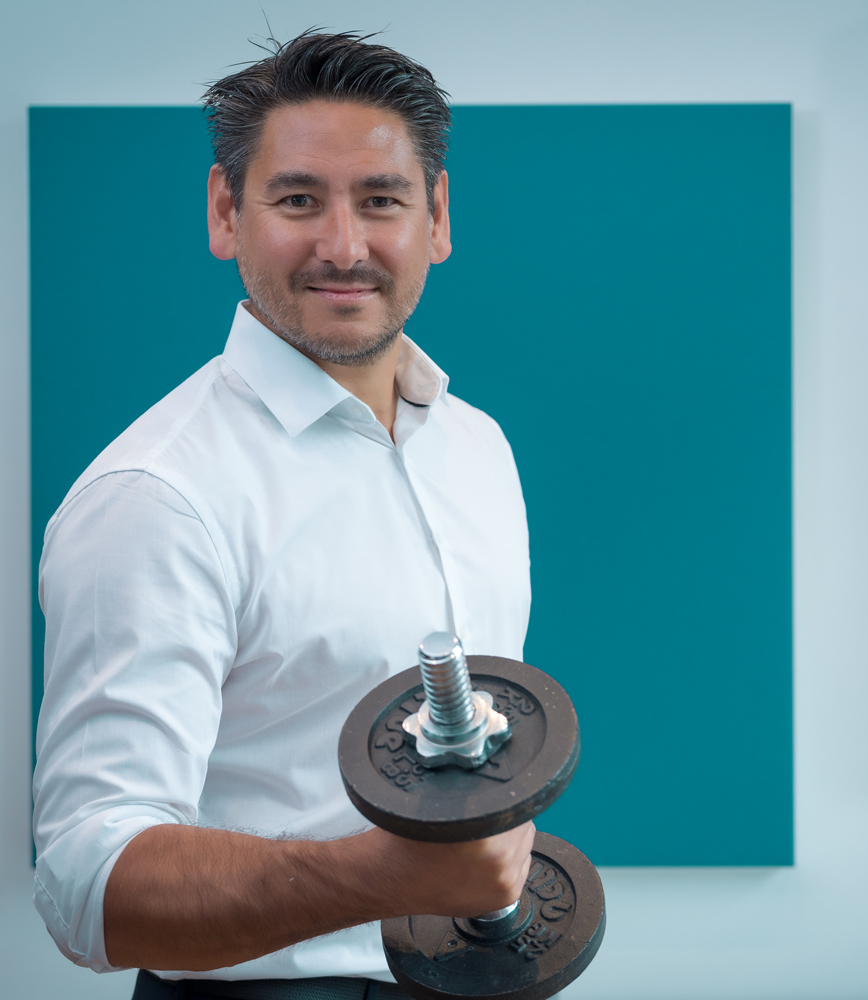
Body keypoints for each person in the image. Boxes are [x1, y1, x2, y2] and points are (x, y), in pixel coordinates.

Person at [31, 30, 535, 999]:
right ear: (227, 213)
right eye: (298, 200)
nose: (343, 247)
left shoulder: (477, 447)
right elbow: (88, 885)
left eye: (381, 200)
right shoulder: (157, 494)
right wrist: (385, 877)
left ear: (436, 218)